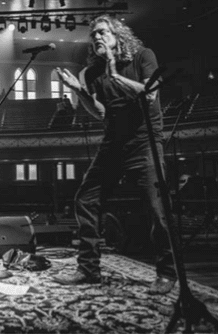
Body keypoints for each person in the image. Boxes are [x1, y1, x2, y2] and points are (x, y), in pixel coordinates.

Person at [53, 15, 176, 294]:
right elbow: (100, 112)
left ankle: (167, 273)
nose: (96, 37)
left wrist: (116, 75)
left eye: (102, 32)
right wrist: (79, 92)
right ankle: (88, 269)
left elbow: (149, 96)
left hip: (144, 140)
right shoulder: (92, 73)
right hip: (114, 142)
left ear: (118, 35)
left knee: (156, 208)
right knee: (86, 198)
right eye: (93, 34)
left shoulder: (143, 56)